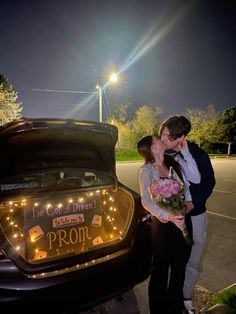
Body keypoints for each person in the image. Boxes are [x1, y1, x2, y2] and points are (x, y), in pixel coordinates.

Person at [159, 115, 215, 314]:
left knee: (193, 259)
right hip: (173, 217)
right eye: (162, 134)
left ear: (181, 137)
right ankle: (171, 298)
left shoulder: (198, 155)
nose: (162, 140)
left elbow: (207, 183)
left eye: (167, 136)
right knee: (172, 261)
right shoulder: (163, 155)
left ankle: (185, 297)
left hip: (195, 215)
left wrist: (191, 205)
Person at [137, 135, 194, 314]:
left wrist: (186, 205)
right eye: (158, 140)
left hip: (182, 220)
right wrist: (167, 215)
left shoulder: (172, 163)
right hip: (163, 226)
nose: (162, 140)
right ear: (152, 148)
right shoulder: (146, 171)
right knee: (161, 269)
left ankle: (175, 306)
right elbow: (146, 201)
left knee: (179, 266)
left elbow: (185, 187)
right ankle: (158, 309)